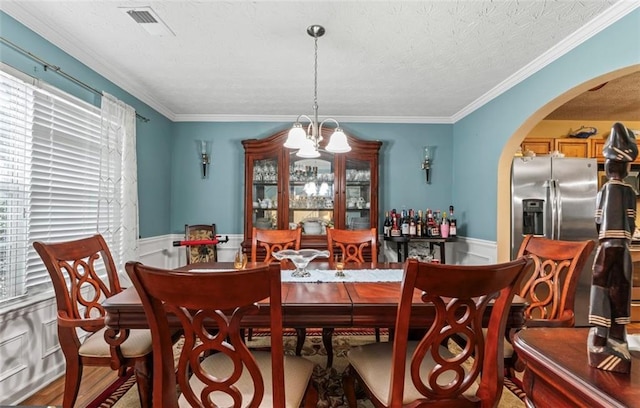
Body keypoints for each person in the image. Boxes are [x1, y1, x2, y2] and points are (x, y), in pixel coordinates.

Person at [588, 122, 638, 373]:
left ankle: (599, 335)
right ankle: (618, 336)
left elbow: (598, 221)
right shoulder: (629, 191)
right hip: (622, 246)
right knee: (621, 289)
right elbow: (630, 220)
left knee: (600, 289)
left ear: (608, 167)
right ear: (628, 167)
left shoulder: (603, 191)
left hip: (605, 245)